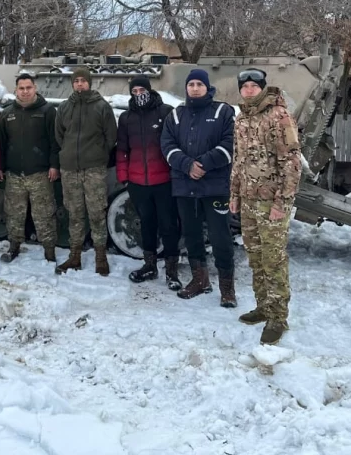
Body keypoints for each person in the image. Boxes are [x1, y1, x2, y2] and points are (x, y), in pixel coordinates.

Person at [230, 68, 302, 345]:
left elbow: (291, 163)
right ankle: (263, 307)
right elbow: (238, 162)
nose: (248, 90)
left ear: (262, 87)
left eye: (253, 85)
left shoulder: (278, 116)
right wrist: (234, 195)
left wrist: (281, 203)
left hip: (271, 202)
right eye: (244, 86)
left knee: (273, 260)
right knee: (256, 258)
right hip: (248, 201)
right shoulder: (241, 119)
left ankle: (278, 317)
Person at [160, 69, 237, 307]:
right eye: (191, 84)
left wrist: (202, 164)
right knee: (192, 235)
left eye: (199, 84)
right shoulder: (176, 115)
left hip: (214, 186)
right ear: (186, 88)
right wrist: (186, 165)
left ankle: (227, 288)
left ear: (207, 87)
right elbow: (167, 144)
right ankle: (200, 279)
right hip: (185, 185)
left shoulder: (223, 112)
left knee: (220, 237)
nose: (194, 88)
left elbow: (230, 143)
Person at [117, 75, 182, 288]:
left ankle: (172, 271)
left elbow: (176, 143)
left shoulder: (165, 112)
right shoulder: (126, 118)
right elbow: (123, 149)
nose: (138, 95)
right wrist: (124, 177)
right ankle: (150, 266)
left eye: (141, 91)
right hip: (138, 182)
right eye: (134, 92)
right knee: (146, 224)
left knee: (169, 225)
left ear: (149, 90)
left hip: (163, 180)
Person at [54, 67, 117, 276]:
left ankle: (101, 256)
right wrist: (68, 154)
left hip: (94, 169)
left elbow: (110, 137)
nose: (80, 84)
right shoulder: (64, 107)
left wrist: (98, 155)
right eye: (76, 81)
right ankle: (75, 256)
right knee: (75, 214)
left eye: (83, 80)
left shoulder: (101, 107)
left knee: (97, 213)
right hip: (70, 168)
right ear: (72, 84)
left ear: (89, 82)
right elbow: (59, 136)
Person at [0, 73, 60, 264]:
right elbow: (1, 143)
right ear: (16, 90)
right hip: (14, 173)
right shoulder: (8, 113)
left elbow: (55, 141)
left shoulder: (48, 111)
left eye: (28, 87)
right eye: (21, 88)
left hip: (39, 173)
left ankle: (49, 251)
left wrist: (54, 165)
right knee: (14, 213)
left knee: (44, 214)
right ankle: (14, 246)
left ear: (35, 88)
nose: (25, 92)